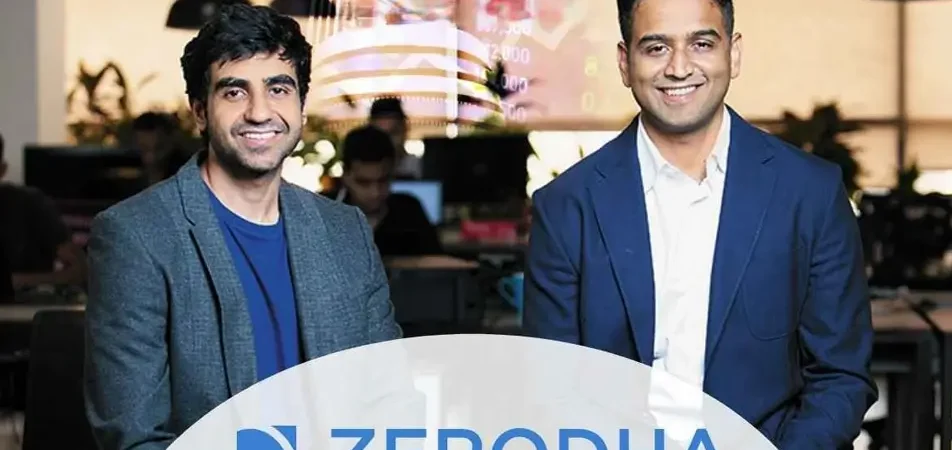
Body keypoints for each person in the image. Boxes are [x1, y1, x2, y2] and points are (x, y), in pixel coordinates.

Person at [522, 0, 876, 447]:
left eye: (701, 44)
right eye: (656, 48)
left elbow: (840, 376)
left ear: (734, 53)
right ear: (625, 63)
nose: (679, 67)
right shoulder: (565, 206)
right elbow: (552, 389)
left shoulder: (811, 193)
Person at [83, 5, 402, 449]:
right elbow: (136, 438)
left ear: (301, 106)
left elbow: (390, 403)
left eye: (278, 88)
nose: (259, 112)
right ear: (200, 111)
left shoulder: (345, 231)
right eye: (234, 92)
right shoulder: (136, 236)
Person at [326, 125, 442, 257]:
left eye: (383, 181)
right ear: (345, 175)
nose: (375, 192)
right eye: (363, 183)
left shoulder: (409, 210)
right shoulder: (325, 209)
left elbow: (436, 261)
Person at [0, 132, 86, 291]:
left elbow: (78, 271)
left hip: (24, 304)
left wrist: (15, 282)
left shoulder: (29, 204)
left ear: (2, 170)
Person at [131, 112, 192, 186]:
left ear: (171, 143)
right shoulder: (126, 170)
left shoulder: (189, 172)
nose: (151, 158)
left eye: (159, 149)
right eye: (144, 149)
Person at [368, 97, 420, 179]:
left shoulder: (421, 167)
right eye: (380, 135)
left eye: (393, 133)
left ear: (405, 130)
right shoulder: (360, 169)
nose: (387, 140)